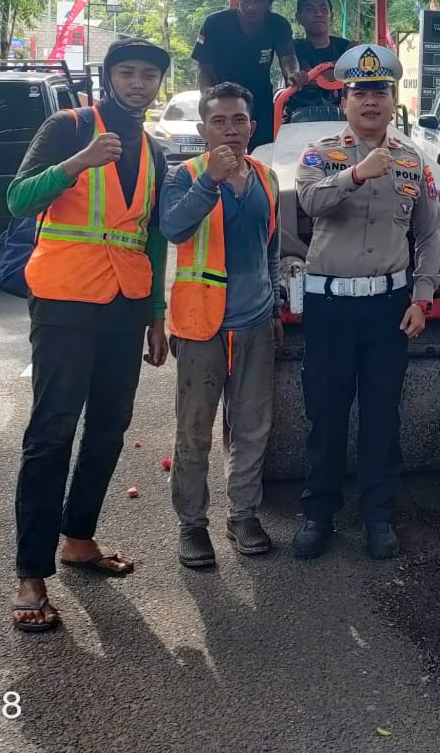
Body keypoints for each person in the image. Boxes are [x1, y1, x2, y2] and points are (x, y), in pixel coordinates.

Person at [8, 37, 172, 634]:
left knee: (109, 428)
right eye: (127, 72)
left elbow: (152, 236)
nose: (138, 83)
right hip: (64, 302)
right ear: (109, 78)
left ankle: (78, 539)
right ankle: (30, 573)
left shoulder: (154, 150)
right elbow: (17, 199)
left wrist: (158, 314)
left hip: (126, 307)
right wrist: (78, 162)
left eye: (149, 75)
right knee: (52, 433)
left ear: (159, 84)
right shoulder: (69, 126)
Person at [291, 44, 440, 561]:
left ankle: (378, 516)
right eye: (360, 92)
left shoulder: (412, 162)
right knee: (326, 414)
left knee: (382, 415)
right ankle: (318, 514)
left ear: (392, 100)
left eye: (380, 91)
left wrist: (422, 298)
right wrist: (356, 173)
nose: (370, 101)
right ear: (345, 101)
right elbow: (310, 202)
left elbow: (430, 234)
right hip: (330, 305)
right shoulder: (320, 153)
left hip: (388, 308)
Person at [160, 82, 282, 568]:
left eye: (239, 121)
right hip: (199, 326)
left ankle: (244, 515)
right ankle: (192, 525)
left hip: (253, 324)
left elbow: (271, 248)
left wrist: (273, 310)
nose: (230, 130)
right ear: (202, 129)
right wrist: (208, 181)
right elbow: (173, 228)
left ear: (253, 127)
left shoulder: (267, 179)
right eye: (219, 121)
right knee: (194, 432)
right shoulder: (183, 175)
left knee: (252, 427)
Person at [192, 0, 301, 150]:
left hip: (261, 104)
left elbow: (288, 57)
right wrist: (211, 103)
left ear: (269, 3)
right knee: (220, 156)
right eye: (246, 0)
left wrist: (294, 74)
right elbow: (205, 70)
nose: (251, 7)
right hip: (223, 101)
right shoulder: (214, 24)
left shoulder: (278, 24)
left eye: (259, 1)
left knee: (262, 154)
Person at [290, 0, 352, 115]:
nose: (318, 14)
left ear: (332, 16)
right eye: (310, 10)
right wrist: (347, 66)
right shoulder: (294, 48)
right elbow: (307, 77)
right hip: (302, 116)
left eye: (324, 9)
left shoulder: (344, 46)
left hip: (344, 115)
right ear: (299, 18)